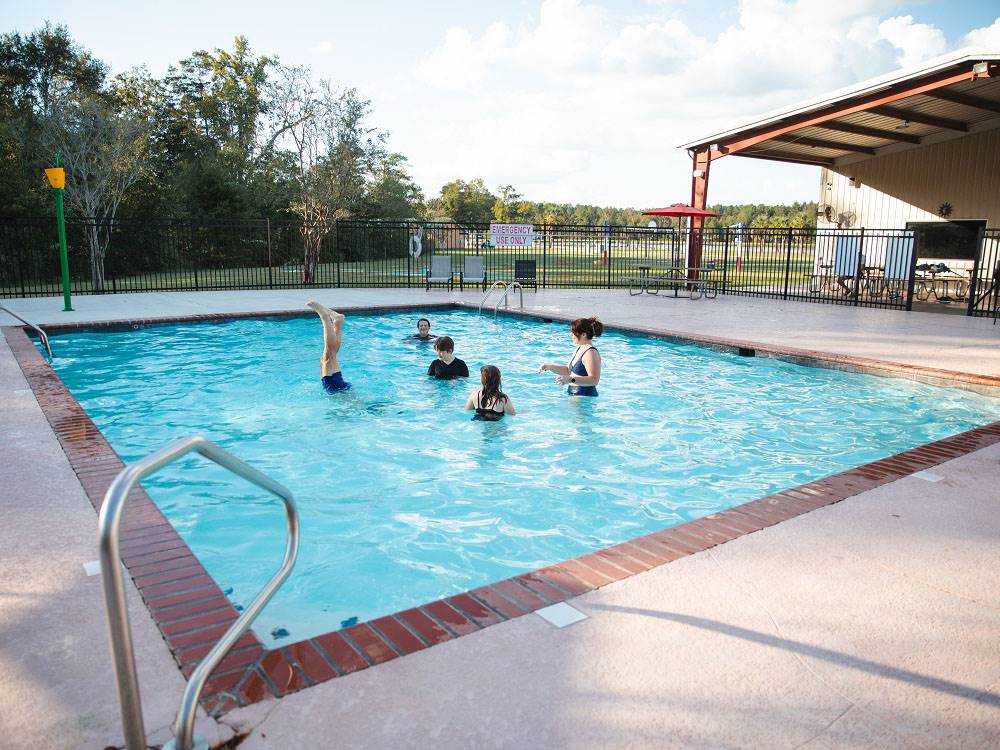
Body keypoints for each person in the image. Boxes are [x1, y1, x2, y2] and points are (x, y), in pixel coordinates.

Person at [539, 317, 603, 396]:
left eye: (574, 332)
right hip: (575, 395)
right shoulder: (580, 348)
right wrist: (550, 367)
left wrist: (570, 379)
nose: (571, 334)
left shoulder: (591, 352)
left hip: (585, 397)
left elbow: (594, 380)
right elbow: (568, 371)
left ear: (583, 334)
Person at [307, 301, 351, 392]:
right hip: (337, 388)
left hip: (339, 389)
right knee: (328, 357)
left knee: (330, 356)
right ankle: (324, 316)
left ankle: (338, 322)